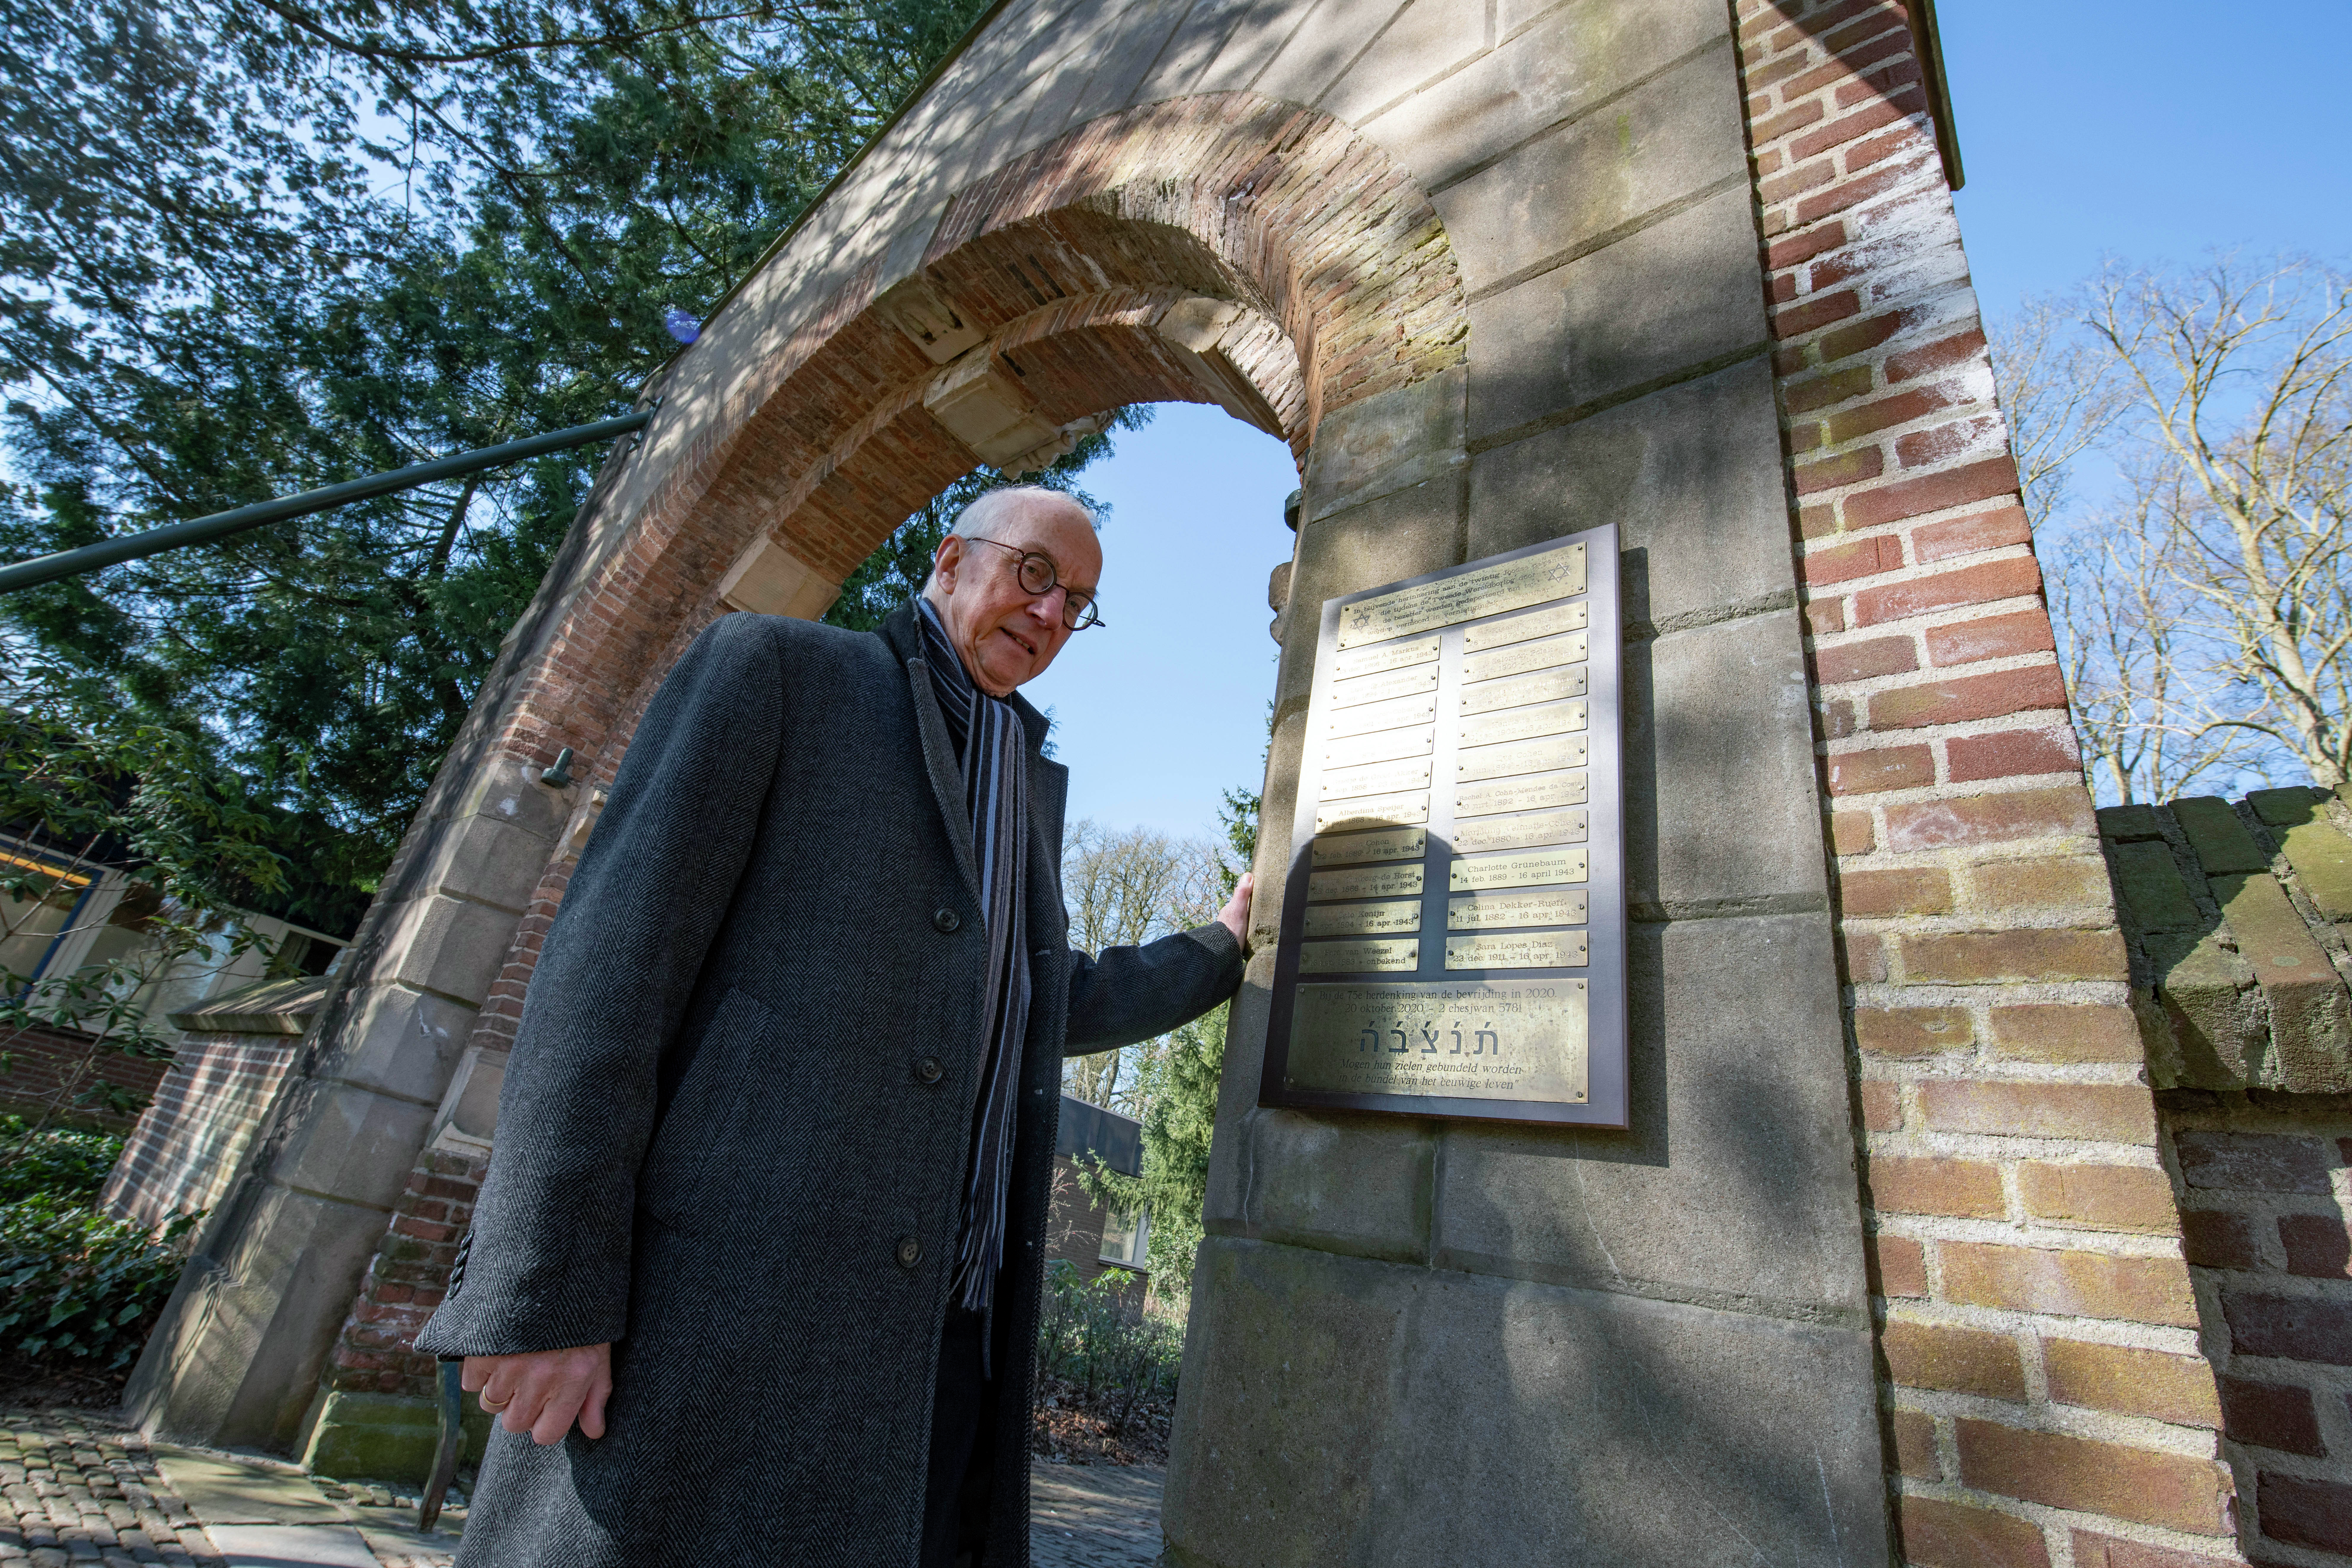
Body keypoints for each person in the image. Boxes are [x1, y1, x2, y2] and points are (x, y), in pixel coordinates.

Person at [413, 486, 1251, 1567]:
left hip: (937, 1361)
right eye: (1035, 574)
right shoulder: (778, 673)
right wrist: (543, 1298)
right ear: (950, 559)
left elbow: (1047, 1000)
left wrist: (1222, 948)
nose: (1050, 615)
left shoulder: (1023, 782)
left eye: (1078, 603)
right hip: (704, 1339)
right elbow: (606, 976)